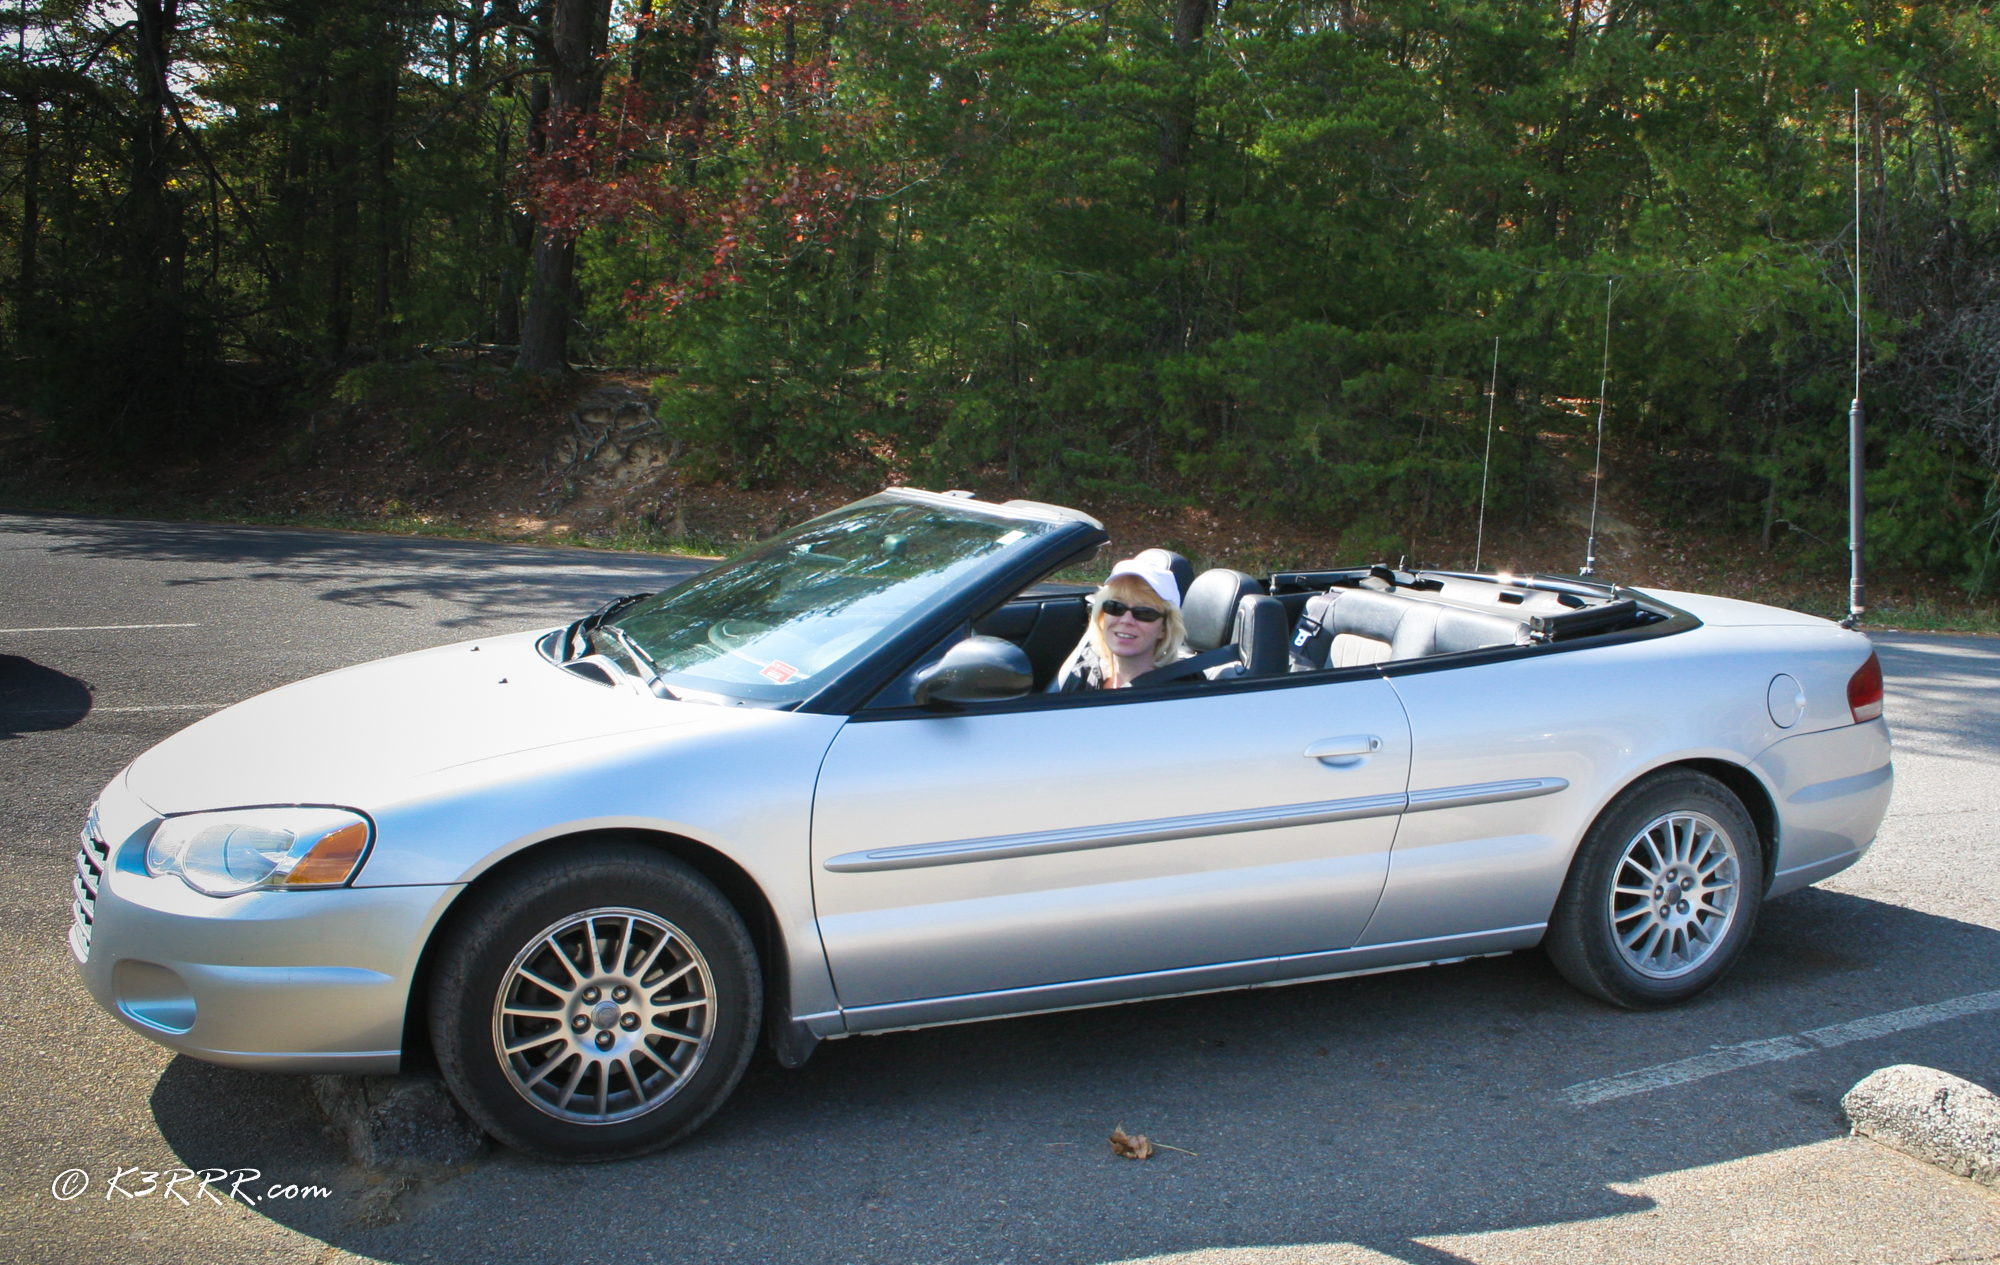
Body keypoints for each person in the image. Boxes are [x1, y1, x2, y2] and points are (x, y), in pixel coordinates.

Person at [1051, 552, 1191, 691]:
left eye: (1144, 613)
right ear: (1102, 615)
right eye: (1115, 607)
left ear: (1164, 629)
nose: (1126, 620)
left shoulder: (1177, 693)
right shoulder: (1083, 673)